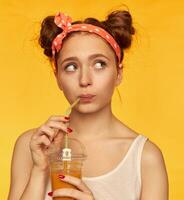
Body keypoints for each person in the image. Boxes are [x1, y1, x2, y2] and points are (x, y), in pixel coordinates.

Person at [8, 9, 168, 200]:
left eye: (99, 64)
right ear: (57, 77)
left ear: (118, 74)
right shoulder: (32, 146)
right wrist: (39, 169)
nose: (84, 80)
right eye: (71, 67)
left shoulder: (145, 158)